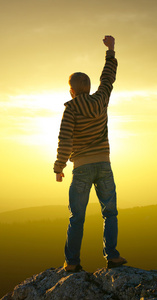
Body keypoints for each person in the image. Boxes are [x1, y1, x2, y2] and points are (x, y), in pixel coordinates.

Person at [53, 35, 127, 272]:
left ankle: (72, 262)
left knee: (77, 218)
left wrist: (59, 167)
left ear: (72, 90)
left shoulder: (71, 109)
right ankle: (112, 256)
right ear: (89, 88)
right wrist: (111, 51)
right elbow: (108, 78)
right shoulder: (101, 99)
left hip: (82, 168)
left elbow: (66, 139)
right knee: (110, 212)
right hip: (104, 165)